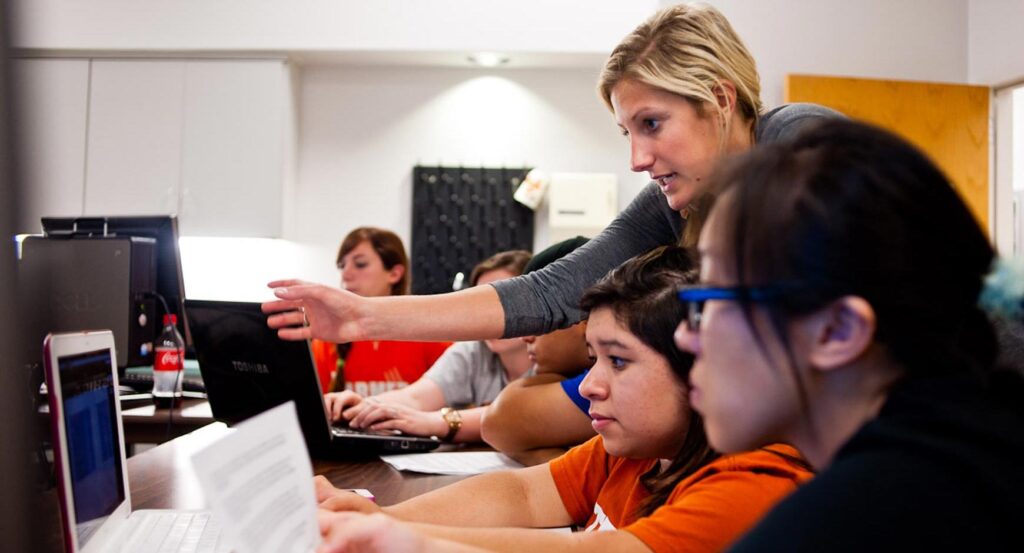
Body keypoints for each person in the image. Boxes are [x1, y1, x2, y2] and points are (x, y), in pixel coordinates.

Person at [261, 4, 840, 346]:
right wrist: (364, 316)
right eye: (627, 133)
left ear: (718, 98)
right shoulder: (676, 202)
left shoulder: (801, 140)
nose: (637, 158)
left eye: (653, 123)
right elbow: (549, 291)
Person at [315, 247, 812, 553]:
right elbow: (523, 494)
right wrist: (378, 519)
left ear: (701, 367)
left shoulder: (753, 486)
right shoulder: (635, 450)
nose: (591, 385)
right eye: (593, 358)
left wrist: (404, 542)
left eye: (618, 361)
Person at [672, 119, 1024, 550]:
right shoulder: (983, 441)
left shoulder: (841, 526)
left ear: (838, 330)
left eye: (710, 297)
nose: (685, 337)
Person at [323, 250, 532, 442]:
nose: (489, 314)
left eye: (501, 301)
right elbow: (416, 397)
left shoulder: (558, 359)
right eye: (482, 301)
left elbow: (523, 416)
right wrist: (364, 406)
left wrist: (432, 421)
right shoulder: (472, 350)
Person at [481, 238, 594, 465]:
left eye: (542, 319)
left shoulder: (606, 378)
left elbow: (498, 422)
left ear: (585, 317)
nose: (526, 336)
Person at [311, 227, 451, 394]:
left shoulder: (429, 335)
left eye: (360, 264)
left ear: (394, 273)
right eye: (342, 266)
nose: (346, 274)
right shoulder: (329, 336)